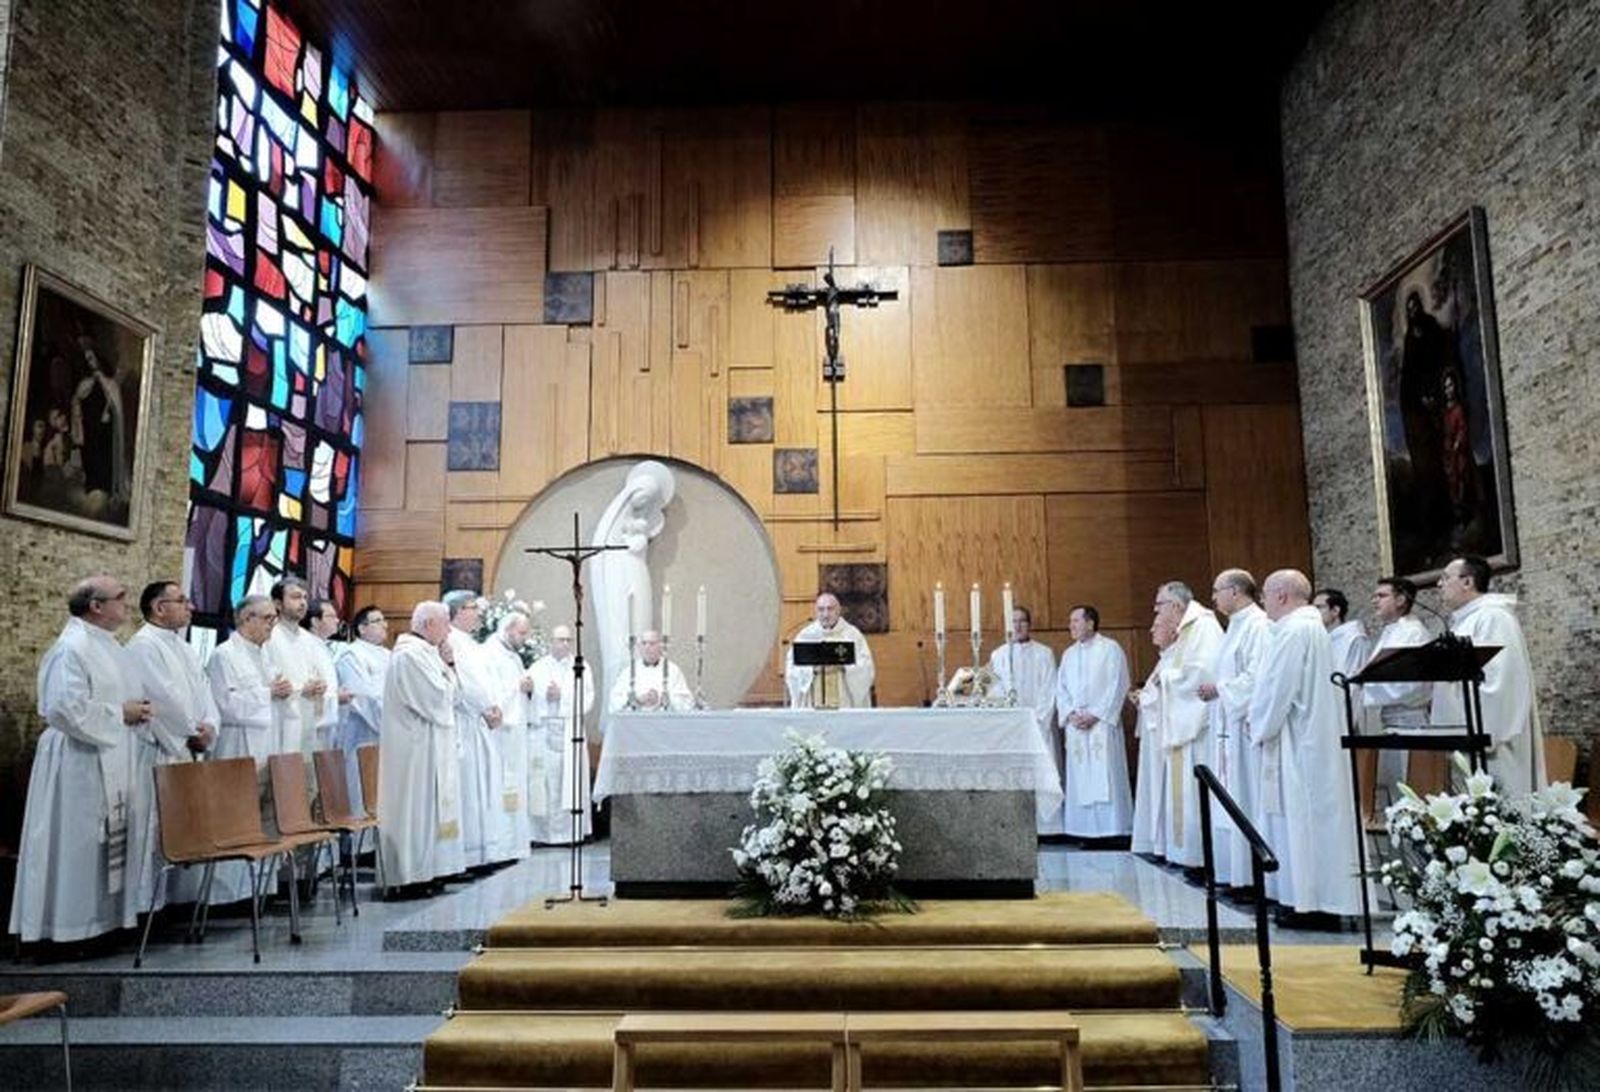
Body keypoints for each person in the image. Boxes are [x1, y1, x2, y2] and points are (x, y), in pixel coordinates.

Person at [10, 576, 150, 944]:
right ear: (96, 606)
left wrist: (135, 712)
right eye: (120, 596)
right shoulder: (70, 648)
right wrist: (121, 714)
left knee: (100, 844)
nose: (127, 602)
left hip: (108, 752)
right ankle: (67, 929)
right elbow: (63, 708)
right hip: (76, 760)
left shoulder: (108, 645)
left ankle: (99, 923)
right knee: (75, 843)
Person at [1249, 569, 1363, 924]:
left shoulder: (1294, 631)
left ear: (1281, 595)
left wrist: (1257, 725)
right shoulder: (1310, 628)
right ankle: (1311, 899)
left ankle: (1311, 904)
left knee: (1303, 820)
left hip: (1299, 742)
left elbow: (1276, 689)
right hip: (1311, 737)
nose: (1263, 602)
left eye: (1266, 594)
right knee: (1311, 821)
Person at [125, 582, 218, 910]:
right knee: (153, 829)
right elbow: (163, 698)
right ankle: (146, 907)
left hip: (186, 748)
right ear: (159, 608)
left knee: (180, 827)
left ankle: (174, 901)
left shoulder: (183, 646)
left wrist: (209, 727)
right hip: (160, 749)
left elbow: (204, 690)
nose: (190, 607)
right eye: (182, 601)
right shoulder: (143, 646)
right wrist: (192, 730)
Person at [204, 594, 293, 904]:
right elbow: (225, 704)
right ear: (246, 619)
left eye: (274, 618)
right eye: (267, 618)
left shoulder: (264, 655)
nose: (273, 624)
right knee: (235, 817)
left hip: (267, 745)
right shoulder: (224, 655)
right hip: (237, 745)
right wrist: (268, 693)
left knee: (262, 817)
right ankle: (228, 896)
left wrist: (281, 693)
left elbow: (271, 698)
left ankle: (258, 889)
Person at [1430, 555, 1544, 795]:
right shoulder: (1466, 621)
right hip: (1465, 737)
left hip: (1492, 744)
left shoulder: (1493, 618)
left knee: (1496, 817)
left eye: (1445, 578)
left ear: (1467, 582)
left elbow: (1499, 684)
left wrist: (1475, 728)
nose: (1439, 584)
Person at [379, 602, 463, 895]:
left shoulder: (427, 653)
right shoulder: (410, 656)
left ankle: (429, 870)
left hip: (428, 746)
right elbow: (438, 698)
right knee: (415, 811)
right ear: (429, 625)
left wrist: (449, 667)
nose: (449, 629)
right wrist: (449, 672)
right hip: (412, 750)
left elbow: (453, 695)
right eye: (445, 623)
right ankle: (409, 876)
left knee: (429, 811)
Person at [1196, 569, 1269, 889]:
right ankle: (1235, 874)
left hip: (1244, 729)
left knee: (1246, 795)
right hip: (1228, 728)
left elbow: (1258, 677)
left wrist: (1220, 690)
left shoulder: (1258, 625)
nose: (1213, 597)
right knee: (1230, 794)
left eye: (1217, 590)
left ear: (1236, 591)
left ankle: (1251, 876)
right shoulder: (1235, 627)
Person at [590, 460, 677, 705]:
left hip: (639, 577)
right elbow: (603, 558)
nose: (644, 502)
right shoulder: (611, 533)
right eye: (641, 496)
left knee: (641, 622)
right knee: (619, 637)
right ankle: (620, 697)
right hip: (617, 581)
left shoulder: (645, 524)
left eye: (651, 499)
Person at [1152, 581, 1223, 869]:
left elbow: (1202, 673)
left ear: (1176, 606)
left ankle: (1200, 857)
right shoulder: (1189, 629)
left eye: (1159, 605)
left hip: (1197, 728)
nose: (1157, 611)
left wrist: (1166, 678)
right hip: (1186, 725)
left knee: (1195, 794)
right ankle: (1188, 855)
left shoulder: (1202, 626)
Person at [442, 591, 508, 870]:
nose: (478, 613)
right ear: (456, 612)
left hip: (481, 721)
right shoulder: (451, 642)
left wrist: (495, 706)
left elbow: (488, 681)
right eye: (472, 608)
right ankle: (468, 854)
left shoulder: (472, 643)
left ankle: (484, 850)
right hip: (465, 722)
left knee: (484, 787)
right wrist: (484, 708)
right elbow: (463, 683)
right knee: (469, 789)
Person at [1359, 577, 1434, 818]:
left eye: (1381, 596)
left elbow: (1408, 685)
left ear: (1401, 599)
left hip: (1410, 723)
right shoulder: (1393, 631)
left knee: (1411, 798)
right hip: (1391, 723)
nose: (1374, 601)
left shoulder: (1412, 633)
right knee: (1395, 799)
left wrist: (1363, 685)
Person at [1054, 606, 1132, 839]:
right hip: (1077, 725)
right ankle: (1083, 830)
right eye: (1071, 621)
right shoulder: (1069, 654)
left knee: (1105, 773)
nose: (1072, 626)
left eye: (1076, 621)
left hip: (1101, 725)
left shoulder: (1110, 649)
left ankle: (1113, 829)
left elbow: (1118, 684)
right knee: (1081, 776)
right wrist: (1070, 714)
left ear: (1090, 623)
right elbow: (1061, 689)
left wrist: (1096, 714)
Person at [988, 606, 1060, 835]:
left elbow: (1050, 689)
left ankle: (1047, 829)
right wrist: (1009, 722)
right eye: (1013, 622)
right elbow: (994, 690)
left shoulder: (1044, 653)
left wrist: (1038, 721)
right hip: (1011, 730)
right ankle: (1015, 827)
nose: (1017, 626)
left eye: (1022, 621)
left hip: (1038, 726)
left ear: (1030, 624)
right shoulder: (998, 655)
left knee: (1042, 774)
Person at [526, 624, 595, 843]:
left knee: (569, 781)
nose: (565, 644)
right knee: (545, 781)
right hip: (544, 731)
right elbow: (528, 698)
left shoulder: (581, 666)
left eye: (568, 640)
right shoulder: (537, 667)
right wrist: (541, 696)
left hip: (569, 731)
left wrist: (561, 697)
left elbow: (589, 697)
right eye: (560, 640)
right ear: (551, 642)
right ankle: (541, 834)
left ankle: (570, 834)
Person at [479, 613, 534, 862]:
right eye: (522, 633)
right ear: (508, 629)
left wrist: (527, 688)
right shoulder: (490, 653)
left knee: (514, 785)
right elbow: (489, 692)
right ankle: (500, 845)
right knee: (500, 785)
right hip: (501, 731)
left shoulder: (512, 655)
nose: (525, 638)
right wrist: (517, 688)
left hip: (515, 732)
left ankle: (513, 845)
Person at [264, 578, 331, 757]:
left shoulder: (310, 640)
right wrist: (301, 689)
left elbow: (317, 674)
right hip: (279, 723)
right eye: (295, 597)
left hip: (307, 720)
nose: (302, 603)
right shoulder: (268, 636)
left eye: (304, 597)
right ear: (277, 603)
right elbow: (268, 680)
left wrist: (320, 686)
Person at [1129, 615, 1178, 857]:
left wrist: (1143, 698)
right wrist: (1142, 696)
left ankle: (1163, 844)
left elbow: (1170, 694)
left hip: (1164, 735)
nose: (1151, 630)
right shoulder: (1164, 660)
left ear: (1173, 631)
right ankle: (1156, 842)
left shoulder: (1175, 659)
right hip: (1154, 734)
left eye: (1157, 626)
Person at [334, 606, 390, 812]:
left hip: (388, 736)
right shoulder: (351, 655)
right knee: (360, 791)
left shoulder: (388, 655)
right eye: (377, 621)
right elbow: (361, 696)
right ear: (362, 628)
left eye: (384, 620)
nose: (384, 625)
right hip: (362, 733)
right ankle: (359, 843)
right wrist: (390, 722)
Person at [784, 593, 876, 708]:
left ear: (839, 611)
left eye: (830, 609)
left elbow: (865, 668)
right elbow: (792, 669)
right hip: (813, 702)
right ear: (816, 612)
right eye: (821, 609)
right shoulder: (806, 636)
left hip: (843, 701)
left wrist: (843, 667)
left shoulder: (852, 636)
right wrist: (811, 669)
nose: (825, 614)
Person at [608, 629, 694, 713]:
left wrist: (661, 698)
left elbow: (686, 702)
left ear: (660, 647)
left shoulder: (673, 670)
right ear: (639, 647)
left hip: (664, 722)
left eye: (652, 643)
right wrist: (636, 699)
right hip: (635, 722)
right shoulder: (629, 671)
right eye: (644, 643)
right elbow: (615, 701)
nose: (647, 647)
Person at [1314, 588, 1370, 684]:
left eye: (1319, 607)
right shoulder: (1321, 638)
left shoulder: (1355, 638)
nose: (1314, 612)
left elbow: (1355, 680)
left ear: (1335, 610)